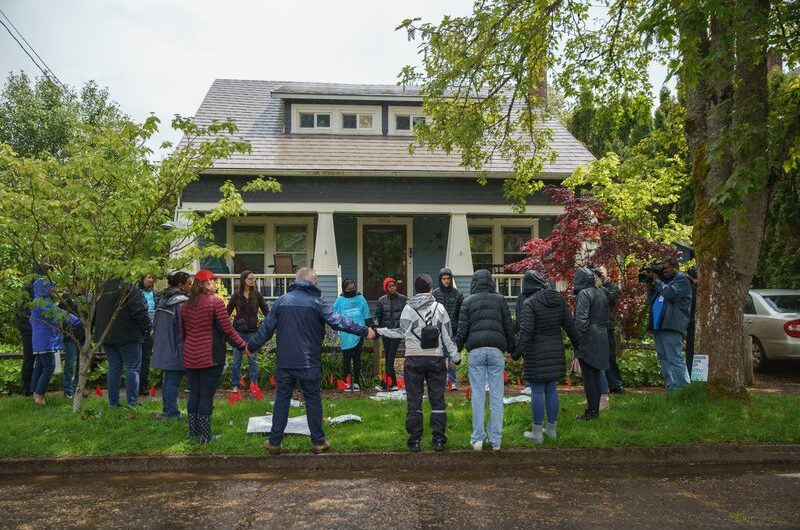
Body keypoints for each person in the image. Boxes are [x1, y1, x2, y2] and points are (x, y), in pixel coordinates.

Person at [248, 267, 374, 454]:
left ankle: (274, 442)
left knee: (282, 400)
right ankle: (318, 442)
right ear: (311, 281)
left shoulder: (282, 301)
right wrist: (364, 330)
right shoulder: (317, 302)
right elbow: (338, 321)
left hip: (285, 362)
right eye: (316, 282)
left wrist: (251, 346)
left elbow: (267, 328)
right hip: (309, 361)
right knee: (313, 400)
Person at [377, 273, 459, 453]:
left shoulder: (408, 308)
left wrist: (380, 330)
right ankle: (438, 439)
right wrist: (455, 356)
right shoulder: (440, 308)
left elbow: (400, 332)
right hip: (436, 358)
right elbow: (447, 335)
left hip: (414, 358)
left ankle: (414, 440)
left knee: (414, 400)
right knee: (437, 399)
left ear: (416, 289)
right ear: (431, 289)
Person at [181, 269, 250, 443]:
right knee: (206, 395)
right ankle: (205, 436)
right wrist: (244, 346)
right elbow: (228, 330)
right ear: (205, 284)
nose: (216, 283)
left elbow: (182, 334)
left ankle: (193, 433)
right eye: (213, 281)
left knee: (194, 394)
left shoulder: (185, 306)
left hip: (190, 356)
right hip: (210, 356)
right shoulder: (215, 303)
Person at [513, 271, 579, 443]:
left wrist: (517, 353)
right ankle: (551, 430)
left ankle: (537, 432)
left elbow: (527, 331)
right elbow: (570, 326)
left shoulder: (530, 303)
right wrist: (579, 346)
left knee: (536, 390)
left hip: (536, 353)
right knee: (551, 389)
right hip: (555, 350)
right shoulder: (558, 300)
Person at [455, 269, 515, 451]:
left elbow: (462, 330)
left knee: (478, 396)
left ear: (474, 282)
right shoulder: (500, 300)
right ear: (491, 282)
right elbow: (508, 327)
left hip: (476, 352)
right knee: (497, 396)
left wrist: (455, 353)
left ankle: (478, 439)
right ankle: (495, 441)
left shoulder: (467, 301)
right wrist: (513, 350)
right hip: (496, 350)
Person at [93, 278, 152, 408]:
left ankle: (113, 403)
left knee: (114, 367)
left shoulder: (102, 288)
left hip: (106, 334)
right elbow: (139, 310)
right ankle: (132, 402)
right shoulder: (129, 288)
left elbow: (93, 312)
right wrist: (149, 327)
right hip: (127, 334)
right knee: (132, 368)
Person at [29, 278, 80, 405]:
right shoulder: (41, 302)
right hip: (46, 340)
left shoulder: (40, 301)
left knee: (40, 367)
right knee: (48, 367)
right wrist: (75, 320)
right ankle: (40, 396)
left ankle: (35, 393)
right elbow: (57, 313)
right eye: (51, 287)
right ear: (44, 289)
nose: (53, 290)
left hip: (41, 340)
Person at [647, 257, 692, 391]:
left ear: (675, 267)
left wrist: (658, 281)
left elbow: (670, 294)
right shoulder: (664, 282)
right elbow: (651, 300)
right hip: (659, 326)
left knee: (674, 358)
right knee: (664, 358)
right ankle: (672, 388)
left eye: (666, 268)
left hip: (672, 325)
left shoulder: (681, 280)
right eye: (662, 269)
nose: (664, 271)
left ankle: (684, 389)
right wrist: (650, 286)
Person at [151, 271, 192, 419]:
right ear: (181, 286)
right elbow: (185, 326)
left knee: (168, 380)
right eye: (189, 284)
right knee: (173, 381)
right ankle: (172, 413)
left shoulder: (163, 300)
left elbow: (154, 325)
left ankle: (168, 411)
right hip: (176, 346)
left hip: (163, 346)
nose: (191, 287)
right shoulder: (181, 303)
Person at [573, 267, 610, 421]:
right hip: (602, 335)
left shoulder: (584, 293)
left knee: (589, 377)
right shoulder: (601, 292)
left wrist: (577, 341)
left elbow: (581, 321)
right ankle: (594, 412)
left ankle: (591, 413)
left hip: (589, 337)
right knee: (595, 375)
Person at [226, 270, 269, 395]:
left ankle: (254, 385)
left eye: (253, 279)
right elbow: (226, 312)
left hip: (252, 332)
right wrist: (227, 327)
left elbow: (266, 310)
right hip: (238, 332)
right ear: (244, 279)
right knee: (236, 360)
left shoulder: (257, 294)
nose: (252, 281)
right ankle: (235, 385)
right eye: (250, 279)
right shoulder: (236, 295)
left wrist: (270, 324)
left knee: (253, 360)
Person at [15, 263, 51, 396]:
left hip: (39, 330)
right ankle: (27, 388)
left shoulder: (42, 290)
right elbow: (20, 314)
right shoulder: (27, 290)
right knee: (30, 358)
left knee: (39, 360)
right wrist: (31, 327)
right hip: (30, 331)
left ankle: (35, 388)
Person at [332, 279, 372, 392]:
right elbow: (333, 315)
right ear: (344, 289)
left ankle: (356, 382)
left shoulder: (360, 298)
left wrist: (369, 329)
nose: (351, 290)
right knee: (346, 359)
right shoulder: (339, 300)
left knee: (357, 358)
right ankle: (347, 382)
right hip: (345, 334)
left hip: (359, 332)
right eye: (349, 289)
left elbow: (366, 314)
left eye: (353, 288)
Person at [432, 267, 464, 390]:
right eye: (444, 279)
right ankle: (440, 380)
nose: (446, 281)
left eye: (448, 278)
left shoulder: (458, 295)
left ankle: (453, 381)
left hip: (453, 331)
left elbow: (461, 314)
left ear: (451, 279)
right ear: (440, 280)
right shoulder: (435, 294)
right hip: (438, 331)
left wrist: (459, 328)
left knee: (451, 358)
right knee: (439, 358)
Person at [374, 277, 407, 390]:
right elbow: (378, 316)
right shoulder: (381, 300)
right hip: (386, 332)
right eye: (390, 286)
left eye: (394, 285)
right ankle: (393, 384)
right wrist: (376, 326)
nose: (392, 287)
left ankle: (384, 383)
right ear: (385, 288)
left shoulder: (403, 299)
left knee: (391, 357)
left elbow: (408, 314)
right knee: (388, 357)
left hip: (397, 332)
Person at [514, 270, 544, 396]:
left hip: (538, 332)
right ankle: (528, 384)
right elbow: (519, 313)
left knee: (538, 359)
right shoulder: (522, 296)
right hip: (525, 331)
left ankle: (537, 384)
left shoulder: (541, 295)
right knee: (528, 359)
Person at [597, 265, 624, 394]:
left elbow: (608, 299)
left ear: (606, 274)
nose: (599, 275)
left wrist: (599, 285)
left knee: (610, 356)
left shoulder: (613, 287)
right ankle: (599, 386)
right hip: (596, 326)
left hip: (607, 326)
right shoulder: (591, 288)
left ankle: (616, 385)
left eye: (601, 273)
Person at [59, 291, 85, 398]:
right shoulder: (66, 296)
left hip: (79, 336)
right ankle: (69, 390)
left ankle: (77, 388)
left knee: (79, 364)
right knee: (70, 364)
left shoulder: (84, 298)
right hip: (70, 337)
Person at [137, 274, 160, 396]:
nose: (151, 280)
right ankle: (136, 386)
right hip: (139, 329)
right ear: (142, 280)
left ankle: (143, 387)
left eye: (152, 277)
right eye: (148, 277)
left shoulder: (156, 294)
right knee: (136, 359)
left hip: (151, 329)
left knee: (146, 359)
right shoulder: (136, 293)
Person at [685, 267, 698, 377]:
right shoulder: (691, 288)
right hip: (692, 323)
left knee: (691, 353)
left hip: (692, 323)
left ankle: (691, 375)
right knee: (690, 353)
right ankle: (690, 375)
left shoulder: (692, 288)